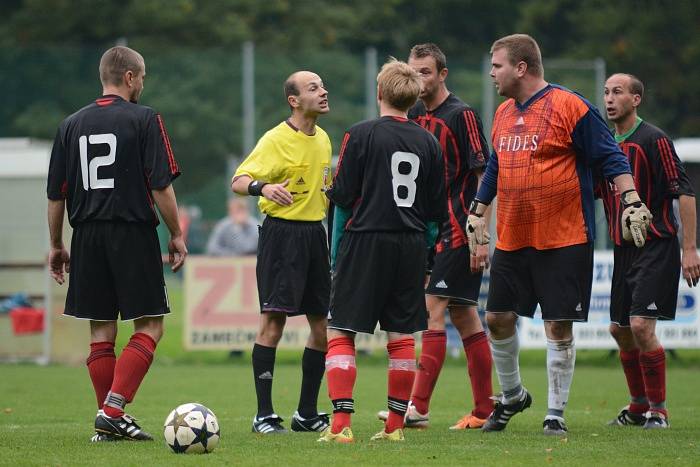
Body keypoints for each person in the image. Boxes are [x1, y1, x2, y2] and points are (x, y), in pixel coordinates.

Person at [466, 34, 651, 436]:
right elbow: (497, 167)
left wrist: (632, 199)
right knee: (496, 318)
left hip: (564, 236)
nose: (492, 73)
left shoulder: (570, 105)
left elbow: (610, 155)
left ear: (521, 67)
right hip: (513, 235)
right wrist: (478, 211)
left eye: (497, 65)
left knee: (558, 326)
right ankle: (513, 396)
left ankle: (554, 413)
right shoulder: (501, 113)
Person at [46, 46, 186, 442]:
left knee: (101, 332)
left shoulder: (69, 125)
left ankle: (106, 424)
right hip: (131, 231)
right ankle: (112, 410)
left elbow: (56, 195)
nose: (143, 84)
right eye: (142, 77)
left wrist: (57, 244)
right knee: (151, 326)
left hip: (86, 234)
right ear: (129, 77)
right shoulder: (145, 119)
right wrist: (175, 233)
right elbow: (160, 184)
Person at [319, 59, 447, 443]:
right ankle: (394, 428)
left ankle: (341, 426)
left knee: (341, 329)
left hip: (366, 239)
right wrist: (426, 257)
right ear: (414, 99)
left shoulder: (360, 134)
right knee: (401, 334)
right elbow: (434, 215)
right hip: (409, 245)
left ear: (379, 93)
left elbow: (342, 199)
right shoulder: (429, 141)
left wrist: (335, 256)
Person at [376, 43, 493, 430]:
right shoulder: (417, 120)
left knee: (433, 312)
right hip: (432, 233)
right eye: (413, 71)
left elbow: (483, 174)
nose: (418, 78)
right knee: (465, 316)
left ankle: (417, 407)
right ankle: (484, 410)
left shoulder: (461, 115)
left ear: (443, 74)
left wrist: (480, 231)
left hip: (459, 229)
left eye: (425, 71)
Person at [230, 70, 332, 434]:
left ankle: (306, 413)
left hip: (314, 237)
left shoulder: (323, 139)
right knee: (273, 322)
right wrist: (264, 188)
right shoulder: (275, 139)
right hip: (281, 237)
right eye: (313, 88)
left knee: (322, 325)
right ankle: (264, 415)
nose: (323, 92)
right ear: (294, 100)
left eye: (322, 85)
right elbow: (238, 180)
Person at [598, 73, 700, 429]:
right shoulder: (607, 144)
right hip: (622, 250)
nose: (610, 98)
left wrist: (690, 249)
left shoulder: (653, 139)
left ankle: (660, 410)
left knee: (642, 326)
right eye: (607, 92)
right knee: (619, 330)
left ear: (636, 99)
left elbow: (684, 192)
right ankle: (638, 407)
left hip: (656, 245)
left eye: (618, 92)